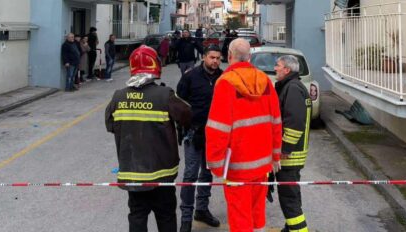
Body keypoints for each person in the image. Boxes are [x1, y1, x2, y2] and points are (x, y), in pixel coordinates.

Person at [105, 45, 192, 232]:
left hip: (132, 175)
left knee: (137, 217)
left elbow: (110, 126)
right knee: (166, 217)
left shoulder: (118, 97)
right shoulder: (164, 95)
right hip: (162, 174)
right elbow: (187, 116)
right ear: (156, 67)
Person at [205, 38, 282, 232]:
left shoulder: (225, 83)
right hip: (262, 164)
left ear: (230, 56)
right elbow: (276, 123)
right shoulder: (265, 80)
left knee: (240, 217)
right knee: (257, 213)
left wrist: (215, 164)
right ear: (249, 57)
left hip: (237, 167)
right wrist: (275, 157)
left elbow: (218, 128)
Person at [176, 45, 223, 232]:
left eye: (218, 58)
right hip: (193, 133)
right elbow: (179, 103)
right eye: (212, 57)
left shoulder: (224, 78)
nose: (215, 61)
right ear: (204, 57)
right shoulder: (190, 77)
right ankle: (186, 218)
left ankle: (201, 210)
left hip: (215, 135)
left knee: (207, 173)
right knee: (190, 175)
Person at [273, 55, 312, 232]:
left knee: (290, 201)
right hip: (291, 155)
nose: (275, 68)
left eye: (278, 66)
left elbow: (295, 122)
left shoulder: (293, 88)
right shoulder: (291, 86)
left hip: (290, 156)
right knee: (291, 198)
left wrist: (284, 149)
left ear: (287, 70)